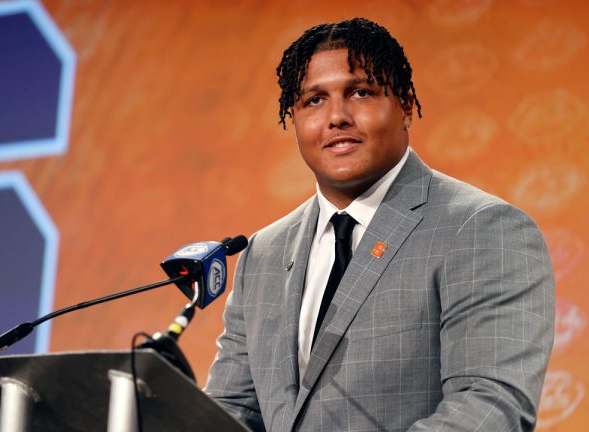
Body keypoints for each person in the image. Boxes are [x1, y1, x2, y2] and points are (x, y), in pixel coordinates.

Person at [205, 18, 555, 432]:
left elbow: (489, 407)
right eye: (314, 100)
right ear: (294, 120)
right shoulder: (263, 253)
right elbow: (231, 410)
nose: (337, 116)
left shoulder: (484, 229)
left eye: (360, 92)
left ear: (406, 106)